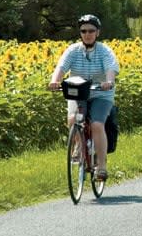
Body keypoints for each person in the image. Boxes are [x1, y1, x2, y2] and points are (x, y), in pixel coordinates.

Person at [48, 14, 119, 181]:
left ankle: (101, 167)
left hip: (101, 94)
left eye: (91, 31)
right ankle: (78, 146)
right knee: (73, 118)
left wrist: (109, 81)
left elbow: (111, 67)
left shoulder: (104, 51)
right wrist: (54, 80)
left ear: (98, 32)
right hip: (78, 92)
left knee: (96, 124)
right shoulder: (73, 50)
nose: (87, 34)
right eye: (84, 31)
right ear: (80, 33)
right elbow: (61, 66)